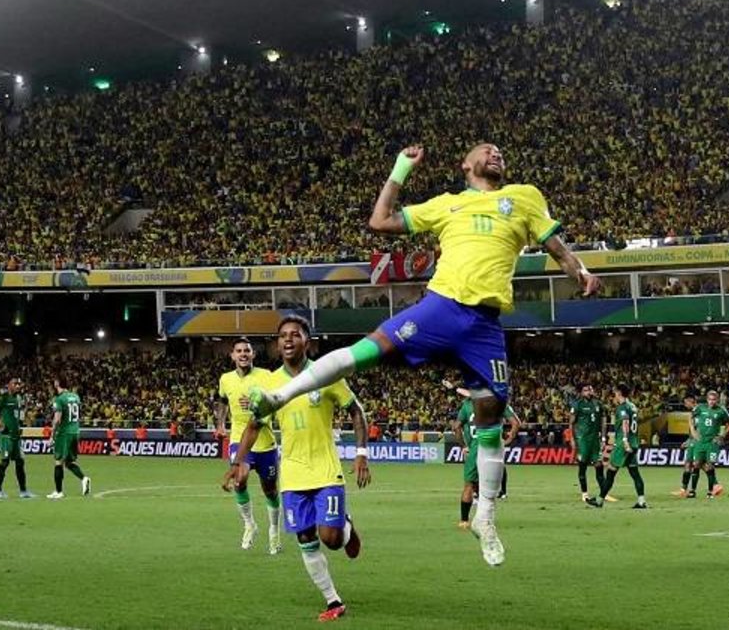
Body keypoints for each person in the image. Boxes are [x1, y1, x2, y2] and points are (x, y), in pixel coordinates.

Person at [248, 143, 598, 567]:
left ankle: (486, 516)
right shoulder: (446, 205)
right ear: (465, 165)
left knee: (491, 412)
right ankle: (280, 396)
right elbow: (380, 221)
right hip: (442, 307)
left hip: (485, 324)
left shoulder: (525, 196)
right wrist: (400, 169)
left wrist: (579, 272)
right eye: (485, 150)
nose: (496, 152)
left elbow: (557, 247)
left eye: (500, 150)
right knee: (365, 350)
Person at [226, 315, 370, 622]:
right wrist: (239, 461)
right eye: (282, 336)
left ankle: (345, 527)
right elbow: (254, 425)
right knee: (306, 539)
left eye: (295, 334)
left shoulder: (327, 375)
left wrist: (361, 454)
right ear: (277, 344)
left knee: (331, 538)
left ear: (308, 341)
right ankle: (333, 602)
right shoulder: (269, 383)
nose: (288, 339)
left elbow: (356, 412)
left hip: (325, 470)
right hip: (292, 475)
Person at [215, 337, 281, 553]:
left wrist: (257, 404)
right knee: (240, 478)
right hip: (238, 438)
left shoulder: (266, 376)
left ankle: (274, 530)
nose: (243, 354)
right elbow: (222, 401)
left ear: (253, 354)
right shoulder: (225, 379)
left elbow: (277, 401)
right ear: (232, 355)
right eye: (239, 351)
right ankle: (249, 524)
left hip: (265, 440)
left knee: (270, 491)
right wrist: (220, 424)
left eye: (247, 350)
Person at [454, 394, 520, 528]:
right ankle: (486, 519)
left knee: (469, 485)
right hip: (493, 447)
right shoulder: (499, 402)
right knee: (489, 488)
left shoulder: (467, 405)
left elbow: (456, 427)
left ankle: (464, 521)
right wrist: (508, 440)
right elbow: (515, 423)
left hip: (475, 447)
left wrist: (464, 446)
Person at [597, 384, 647, 509]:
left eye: (614, 393)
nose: (614, 396)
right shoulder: (633, 406)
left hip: (624, 444)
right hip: (634, 443)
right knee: (635, 473)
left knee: (611, 470)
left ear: (619, 393)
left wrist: (624, 441)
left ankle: (599, 500)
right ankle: (641, 501)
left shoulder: (622, 408)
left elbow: (625, 422)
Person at [680, 389, 729, 499]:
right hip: (700, 441)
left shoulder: (721, 411)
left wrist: (722, 435)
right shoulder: (700, 408)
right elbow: (691, 417)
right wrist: (693, 432)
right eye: (710, 399)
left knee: (709, 465)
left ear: (717, 400)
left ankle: (710, 491)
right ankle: (692, 491)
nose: (712, 402)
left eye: (714, 400)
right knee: (696, 464)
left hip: (712, 442)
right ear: (707, 400)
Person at [0, 376, 33, 499]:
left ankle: (23, 491)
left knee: (20, 462)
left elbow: (17, 415)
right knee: (4, 462)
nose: (18, 386)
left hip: (16, 436)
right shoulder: (3, 398)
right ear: (9, 385)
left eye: (19, 384)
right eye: (15, 384)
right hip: (6, 436)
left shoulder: (18, 398)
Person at [47, 376, 90, 500]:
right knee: (69, 462)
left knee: (58, 461)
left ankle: (58, 491)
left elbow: (57, 419)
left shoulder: (59, 399)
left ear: (57, 383)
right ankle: (84, 478)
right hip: (75, 432)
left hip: (64, 433)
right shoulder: (75, 397)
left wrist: (52, 435)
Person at [569, 383, 606, 505]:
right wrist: (573, 439)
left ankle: (603, 492)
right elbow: (572, 423)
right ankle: (584, 493)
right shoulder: (577, 404)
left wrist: (604, 437)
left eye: (590, 389)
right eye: (586, 390)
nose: (589, 392)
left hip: (595, 440)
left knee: (599, 465)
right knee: (582, 466)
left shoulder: (598, 404)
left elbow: (603, 422)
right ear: (581, 392)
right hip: (583, 440)